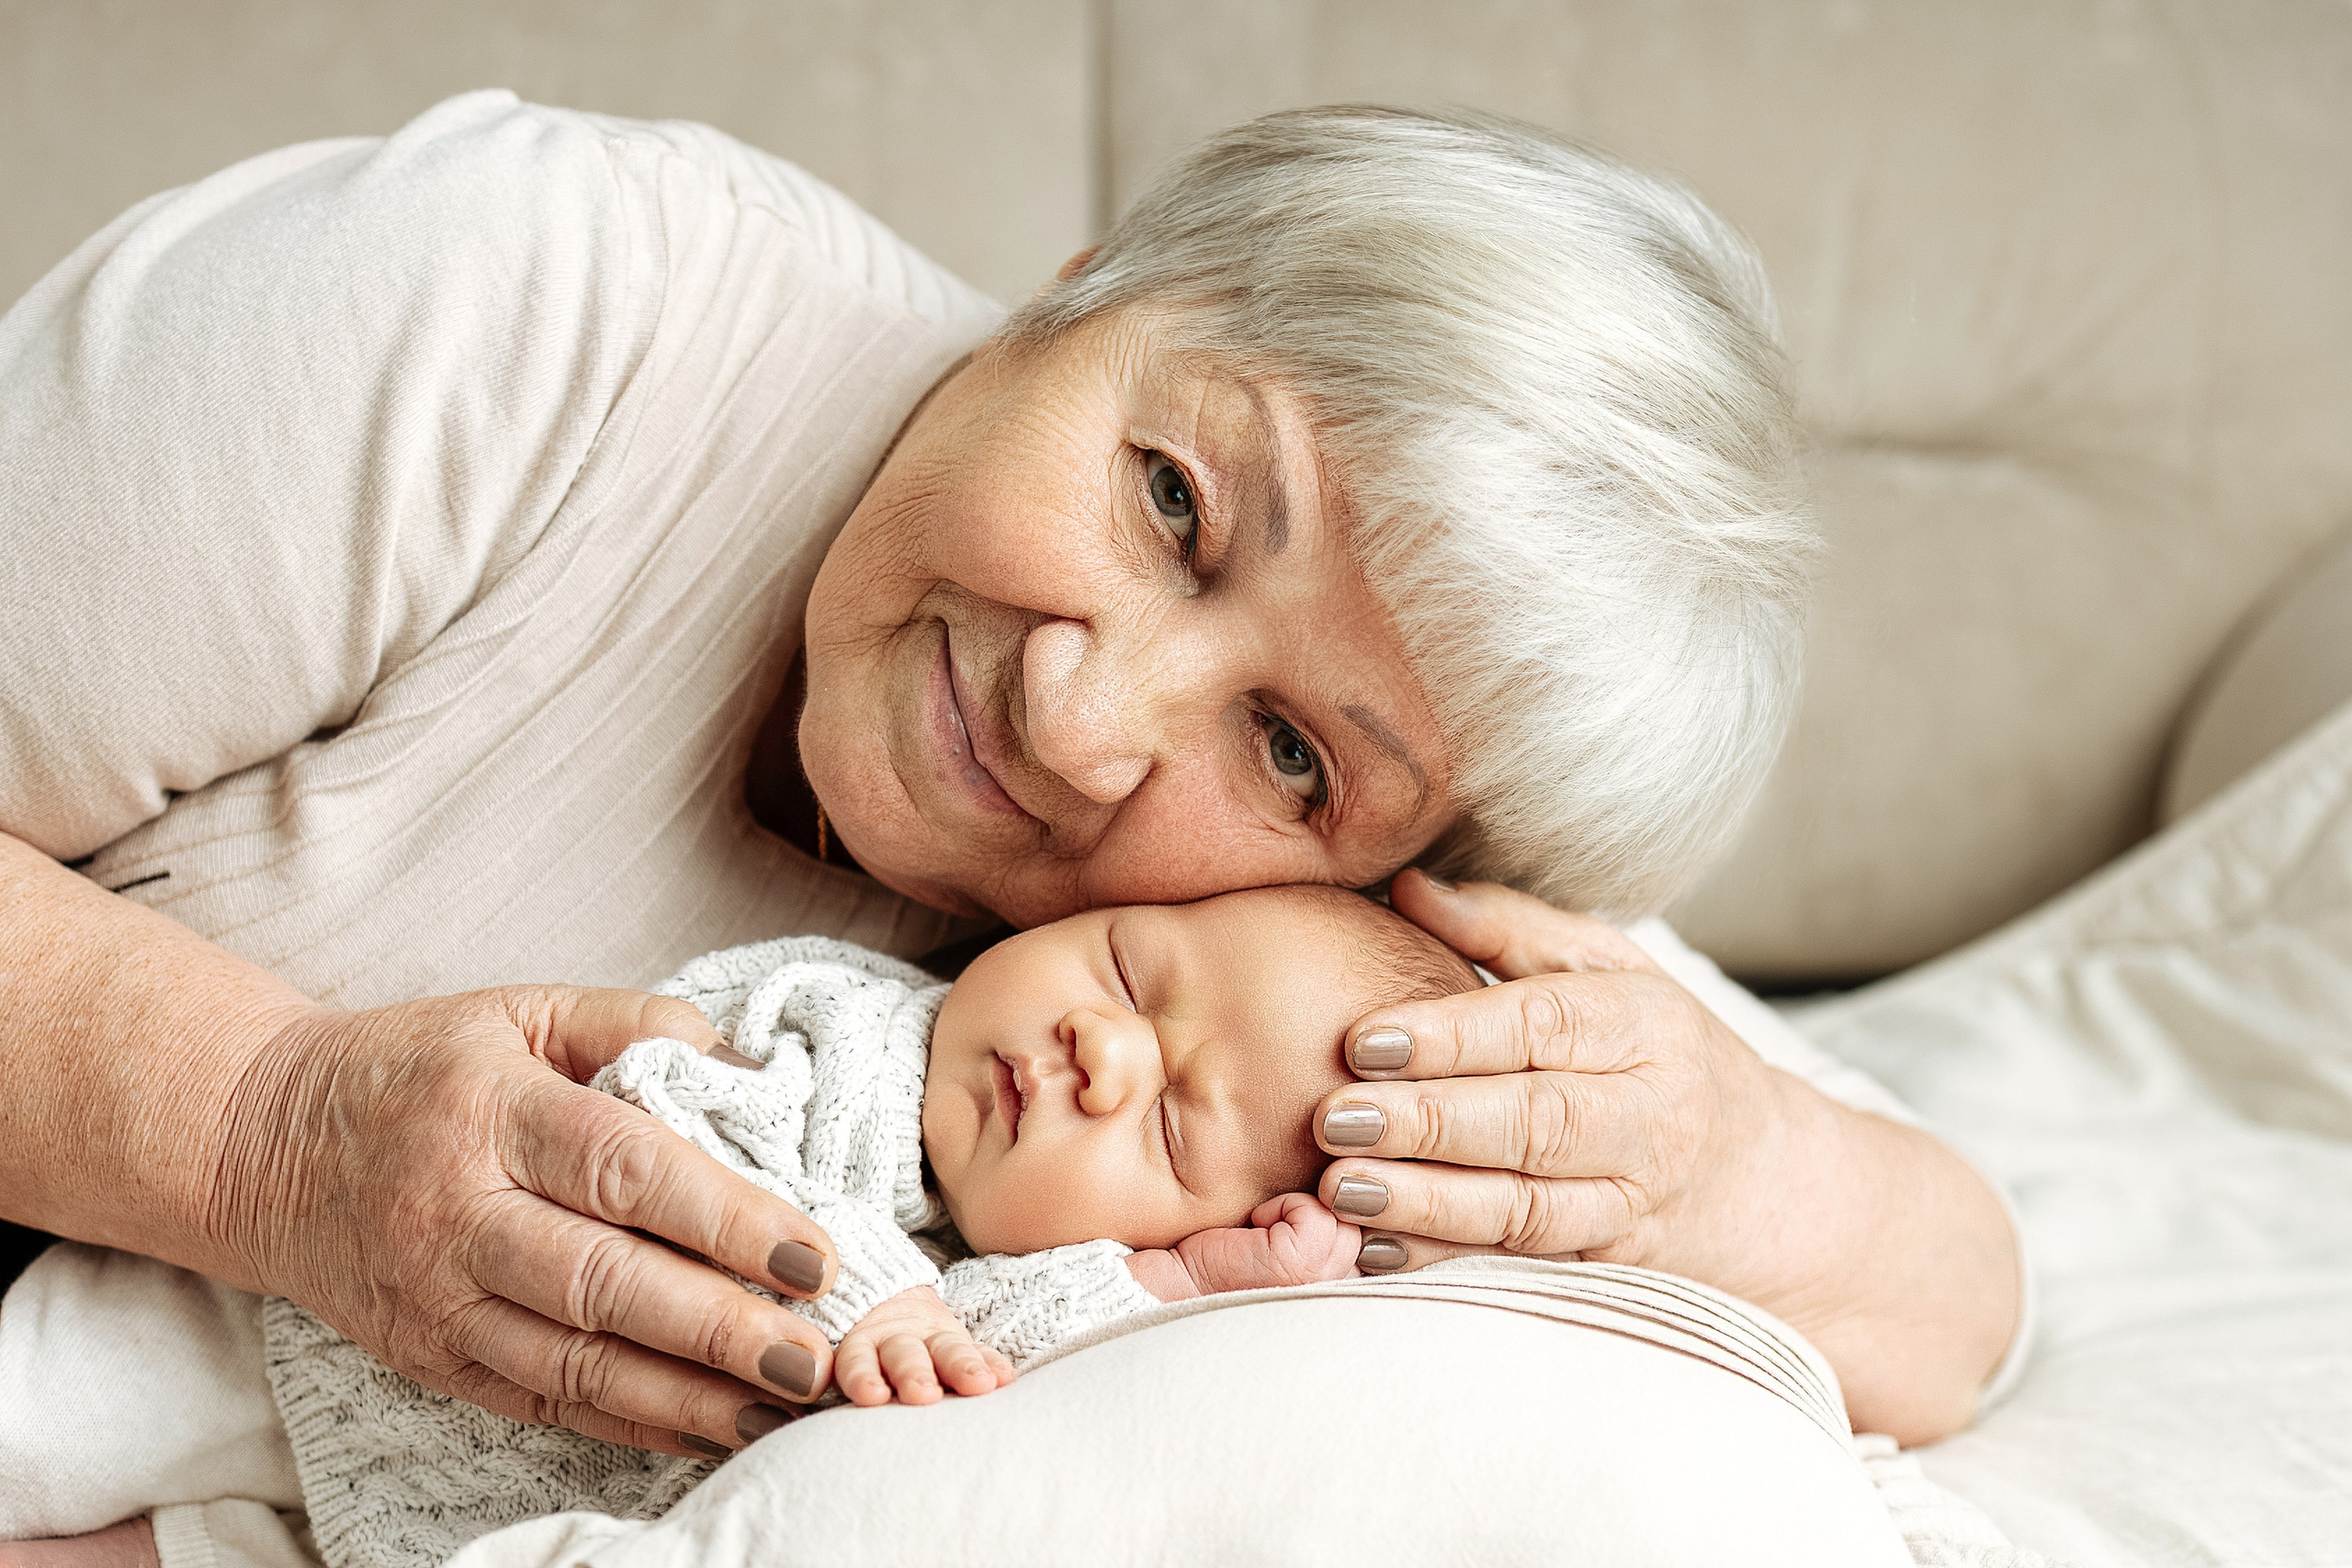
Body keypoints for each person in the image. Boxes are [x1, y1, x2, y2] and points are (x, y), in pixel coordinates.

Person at [0, 91, 2020, 1549]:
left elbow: (1947, 1301)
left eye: (1294, 754)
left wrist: (1728, 1155)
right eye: (1171, 502)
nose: (1080, 714)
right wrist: (260, 1128)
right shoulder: (532, 305)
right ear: (1079, 293)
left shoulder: (1303, 969)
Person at [10, 884, 1911, 1568]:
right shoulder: (848, 1022)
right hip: (290, 1318)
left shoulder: (1041, 1286)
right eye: (1123, 964)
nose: (1092, 1044)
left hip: (408, 1505)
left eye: (1164, 1111)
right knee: (47, 1410)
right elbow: (689, 1144)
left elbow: (1014, 1345)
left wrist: (1174, 1284)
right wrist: (859, 1297)